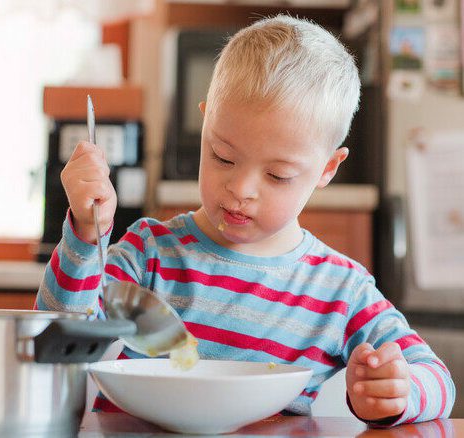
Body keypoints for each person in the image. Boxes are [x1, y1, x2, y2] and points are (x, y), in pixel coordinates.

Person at [36, 15, 455, 425]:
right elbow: (60, 336)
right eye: (222, 156)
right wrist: (87, 234)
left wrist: (396, 392)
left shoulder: (340, 289)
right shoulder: (149, 254)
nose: (241, 188)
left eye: (278, 175)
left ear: (328, 168)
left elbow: (437, 379)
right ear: (205, 123)